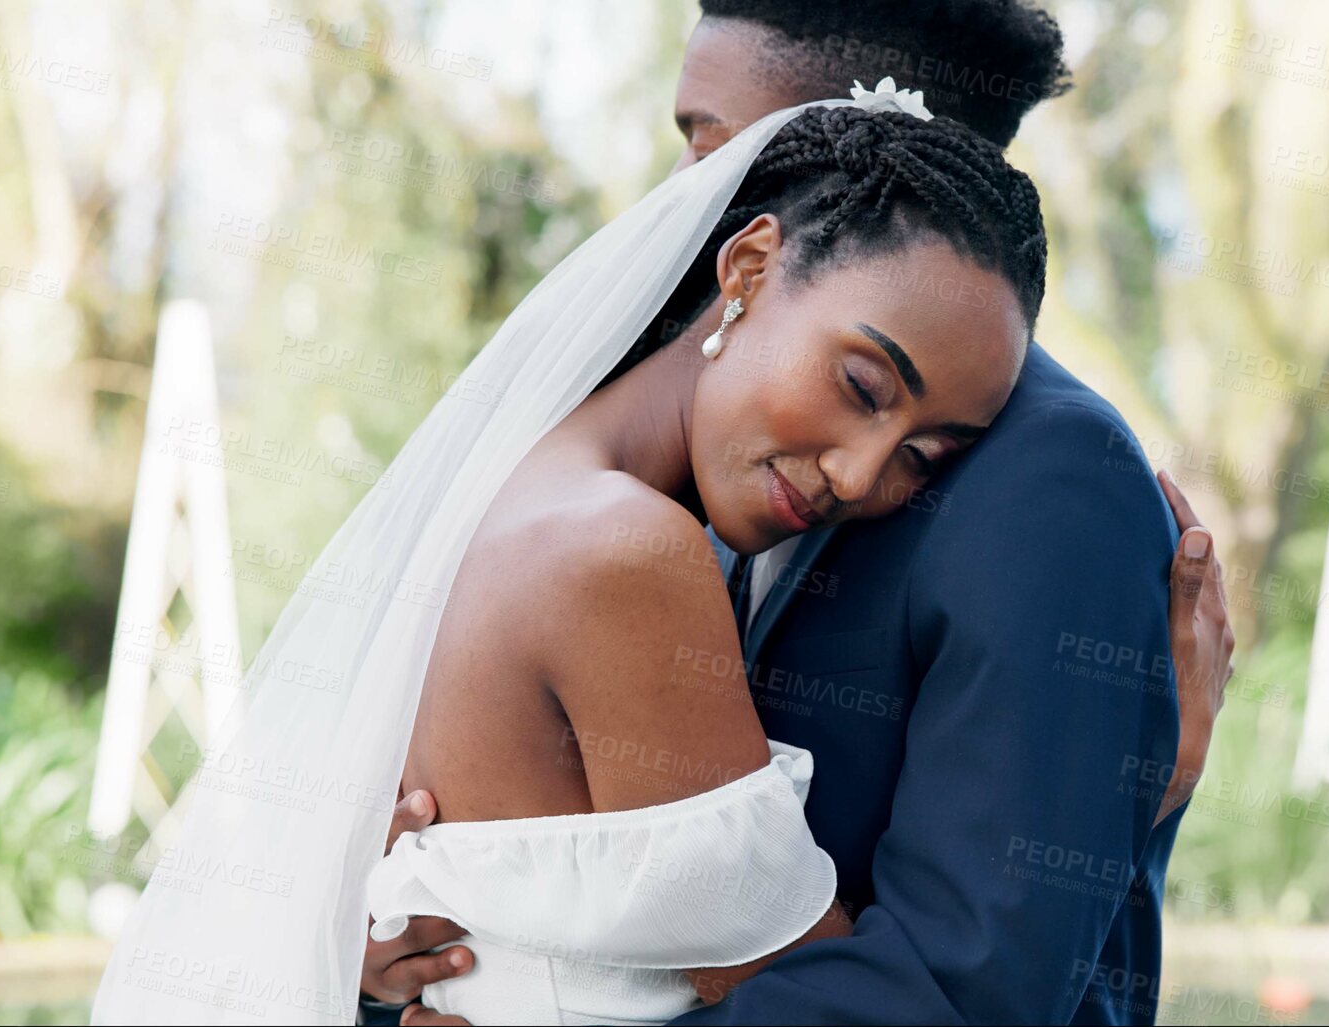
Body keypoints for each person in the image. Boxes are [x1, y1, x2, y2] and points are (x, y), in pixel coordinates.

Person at [370, 3, 1236, 1025]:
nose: (683, 197)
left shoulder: (1054, 477)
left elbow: (969, 986)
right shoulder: (678, 474)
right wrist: (414, 920)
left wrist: (1125, 795)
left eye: (711, 145)